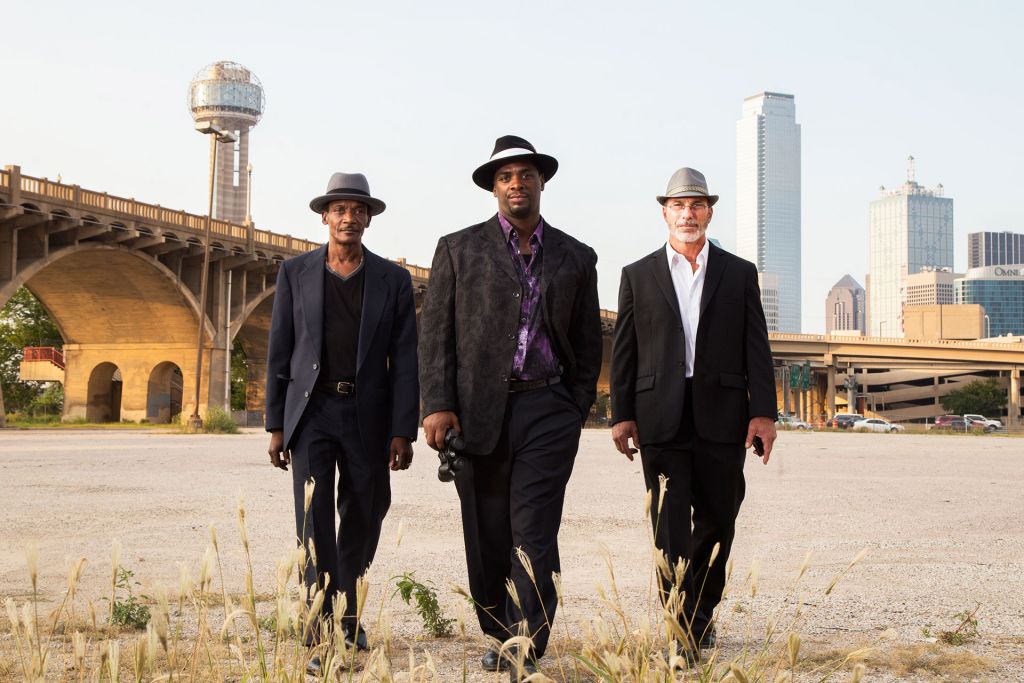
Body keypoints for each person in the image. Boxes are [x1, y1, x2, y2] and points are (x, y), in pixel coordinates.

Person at [418, 135, 602, 679]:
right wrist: (437, 405)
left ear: (541, 182)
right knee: (486, 529)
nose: (516, 183)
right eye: (505, 177)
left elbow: (588, 343)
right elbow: (436, 336)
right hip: (476, 413)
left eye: (525, 174)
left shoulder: (576, 256)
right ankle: (497, 628)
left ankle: (527, 638)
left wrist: (575, 405)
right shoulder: (458, 249)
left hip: (548, 408)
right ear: (493, 188)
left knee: (535, 528)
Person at [609, 167, 777, 660]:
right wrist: (622, 414)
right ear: (664, 212)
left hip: (723, 417)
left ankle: (699, 615)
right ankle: (681, 626)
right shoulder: (637, 275)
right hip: (659, 416)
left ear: (709, 212)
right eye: (678, 206)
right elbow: (624, 351)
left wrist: (762, 413)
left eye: (697, 205)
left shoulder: (739, 273)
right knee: (668, 527)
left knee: (719, 523)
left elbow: (756, 348)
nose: (688, 214)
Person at [265, 172, 419, 668]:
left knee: (365, 513)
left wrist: (402, 429)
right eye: (340, 209)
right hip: (312, 412)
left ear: (368, 219)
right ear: (325, 216)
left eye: (358, 210)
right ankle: (317, 621)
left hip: (367, 415)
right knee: (313, 520)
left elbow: (405, 360)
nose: (348, 217)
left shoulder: (393, 281)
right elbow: (280, 352)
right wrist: (275, 424)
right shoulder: (295, 272)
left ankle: (349, 617)